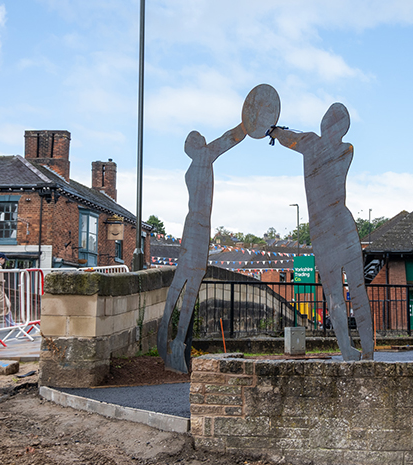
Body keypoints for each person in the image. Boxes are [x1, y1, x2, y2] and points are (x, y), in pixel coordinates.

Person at [268, 103, 375, 361]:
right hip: (342, 225)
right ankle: (366, 351)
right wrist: (279, 133)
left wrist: (274, 131)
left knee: (335, 295)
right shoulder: (345, 149)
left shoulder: (314, 144)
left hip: (322, 230)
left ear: (325, 124)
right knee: (356, 290)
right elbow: (291, 138)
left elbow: (290, 138)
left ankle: (351, 351)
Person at [157, 123, 247, 373]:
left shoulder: (193, 165)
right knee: (192, 282)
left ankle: (166, 328)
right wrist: (247, 125)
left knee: (180, 280)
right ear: (199, 145)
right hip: (198, 228)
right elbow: (229, 138)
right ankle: (177, 339)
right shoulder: (205, 157)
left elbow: (227, 139)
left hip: (190, 226)